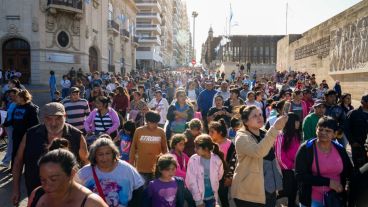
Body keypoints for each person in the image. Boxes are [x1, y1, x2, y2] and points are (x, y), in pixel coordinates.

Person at [12, 102, 89, 205]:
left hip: (67, 196)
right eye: (49, 119)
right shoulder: (30, 134)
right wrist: (15, 189)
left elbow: (86, 163)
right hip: (36, 191)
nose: (53, 123)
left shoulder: (76, 136)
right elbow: (18, 161)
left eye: (58, 118)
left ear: (65, 117)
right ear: (43, 118)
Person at [231, 106, 287, 207]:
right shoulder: (242, 137)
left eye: (260, 114)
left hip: (269, 190)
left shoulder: (264, 133)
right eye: (254, 116)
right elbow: (258, 152)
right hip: (248, 195)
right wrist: (274, 129)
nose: (259, 118)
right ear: (245, 121)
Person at [295, 116, 353, 207]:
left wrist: (347, 186)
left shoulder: (340, 149)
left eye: (328, 131)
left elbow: (349, 171)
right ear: (316, 130)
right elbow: (300, 175)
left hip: (335, 198)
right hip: (313, 199)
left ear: (335, 134)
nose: (323, 133)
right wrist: (328, 182)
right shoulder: (306, 149)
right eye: (320, 129)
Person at [77, 137, 144, 207]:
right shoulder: (85, 172)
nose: (105, 158)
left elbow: (139, 190)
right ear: (95, 156)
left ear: (113, 153)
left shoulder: (126, 169)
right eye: (100, 154)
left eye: (108, 153)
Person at [27, 149, 107, 207]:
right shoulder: (37, 193)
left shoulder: (91, 203)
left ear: (72, 173)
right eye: (42, 180)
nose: (47, 186)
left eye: (53, 179)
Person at [129, 111, 168, 185]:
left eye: (156, 123)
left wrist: (165, 165)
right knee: (142, 190)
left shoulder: (161, 132)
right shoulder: (139, 131)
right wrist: (131, 165)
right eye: (152, 123)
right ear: (147, 121)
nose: (155, 125)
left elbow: (165, 149)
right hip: (141, 167)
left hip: (156, 168)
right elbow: (133, 148)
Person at [185, 134, 225, 207]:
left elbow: (219, 176)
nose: (194, 149)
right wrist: (198, 200)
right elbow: (191, 181)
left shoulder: (217, 160)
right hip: (197, 199)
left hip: (212, 198)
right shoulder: (193, 160)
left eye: (197, 148)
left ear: (206, 148)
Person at [275, 113, 302, 207]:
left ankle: (291, 204)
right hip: (286, 170)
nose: (299, 123)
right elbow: (279, 155)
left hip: (296, 168)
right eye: (296, 121)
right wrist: (290, 166)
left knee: (294, 189)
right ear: (291, 122)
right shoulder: (281, 136)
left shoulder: (296, 135)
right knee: (286, 190)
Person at [7, 89, 40, 165]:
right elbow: (13, 119)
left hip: (25, 136)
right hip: (16, 134)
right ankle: (13, 168)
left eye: (17, 97)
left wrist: (30, 135)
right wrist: (5, 124)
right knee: (15, 152)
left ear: (22, 98)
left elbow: (35, 124)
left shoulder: (31, 108)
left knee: (25, 153)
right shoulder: (17, 106)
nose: (16, 98)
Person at [208, 119, 237, 207]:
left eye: (212, 132)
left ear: (220, 132)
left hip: (223, 178)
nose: (209, 134)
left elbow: (233, 163)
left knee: (223, 198)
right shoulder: (210, 144)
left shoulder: (230, 145)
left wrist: (229, 177)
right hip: (212, 177)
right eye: (209, 132)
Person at [345, 94, 368, 169]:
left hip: (366, 144)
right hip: (357, 144)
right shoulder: (353, 113)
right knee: (359, 166)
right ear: (362, 102)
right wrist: (352, 142)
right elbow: (346, 129)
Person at [0, 88, 18, 168]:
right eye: (10, 95)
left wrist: (6, 123)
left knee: (11, 144)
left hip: (12, 126)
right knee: (10, 144)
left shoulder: (18, 104)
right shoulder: (11, 103)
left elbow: (14, 117)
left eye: (13, 95)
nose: (11, 97)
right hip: (7, 125)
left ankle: (6, 161)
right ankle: (6, 161)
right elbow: (8, 114)